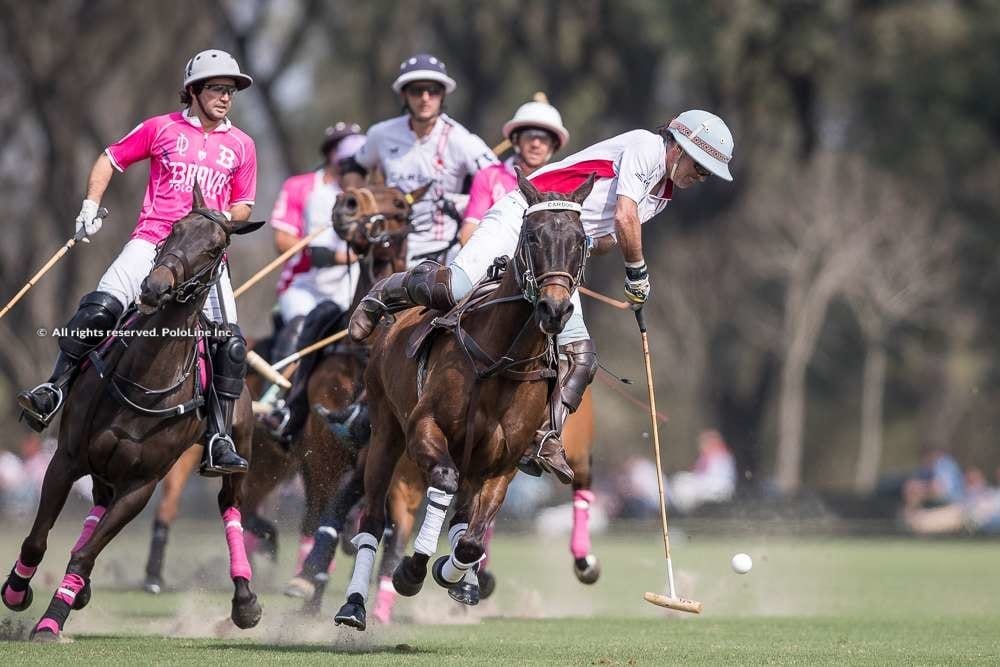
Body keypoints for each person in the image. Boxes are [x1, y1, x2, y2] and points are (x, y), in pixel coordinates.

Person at [349, 109, 735, 483]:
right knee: (456, 287)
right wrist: (637, 274)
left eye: (706, 174)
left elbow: (606, 238)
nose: (699, 177)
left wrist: (573, 257)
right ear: (680, 148)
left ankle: (543, 436)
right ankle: (387, 291)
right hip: (525, 217)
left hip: (558, 249)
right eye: (700, 167)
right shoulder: (645, 147)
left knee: (580, 356)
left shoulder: (661, 194)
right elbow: (624, 216)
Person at [17, 49, 258, 475]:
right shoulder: (160, 128)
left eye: (231, 90)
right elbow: (111, 158)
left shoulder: (242, 144)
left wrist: (219, 221)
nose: (226, 97)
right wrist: (90, 206)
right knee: (100, 308)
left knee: (231, 343)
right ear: (194, 91)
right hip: (152, 241)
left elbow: (244, 205)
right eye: (218, 88)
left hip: (204, 258)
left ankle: (218, 437)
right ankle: (53, 390)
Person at [339, 52, 498, 265]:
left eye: (432, 91)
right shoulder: (382, 134)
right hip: (391, 247)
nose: (425, 98)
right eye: (416, 91)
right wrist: (355, 198)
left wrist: (471, 207)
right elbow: (354, 166)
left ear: (442, 94)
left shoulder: (462, 140)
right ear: (404, 95)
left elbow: (498, 180)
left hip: (446, 251)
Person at [269, 123, 366, 364]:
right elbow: (283, 241)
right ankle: (277, 395)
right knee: (302, 327)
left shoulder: (370, 194)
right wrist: (354, 254)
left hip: (349, 287)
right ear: (332, 154)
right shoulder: (310, 191)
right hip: (305, 284)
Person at [458, 92, 570, 246]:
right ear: (516, 140)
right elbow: (468, 233)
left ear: (553, 146)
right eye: (530, 135)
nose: (536, 144)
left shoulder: (561, 186)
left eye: (544, 138)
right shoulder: (489, 176)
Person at [665, 429, 736, 514]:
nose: (701, 446)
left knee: (680, 481)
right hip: (713, 486)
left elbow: (707, 476)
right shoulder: (720, 455)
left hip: (714, 487)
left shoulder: (717, 456)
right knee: (681, 480)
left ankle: (680, 511)